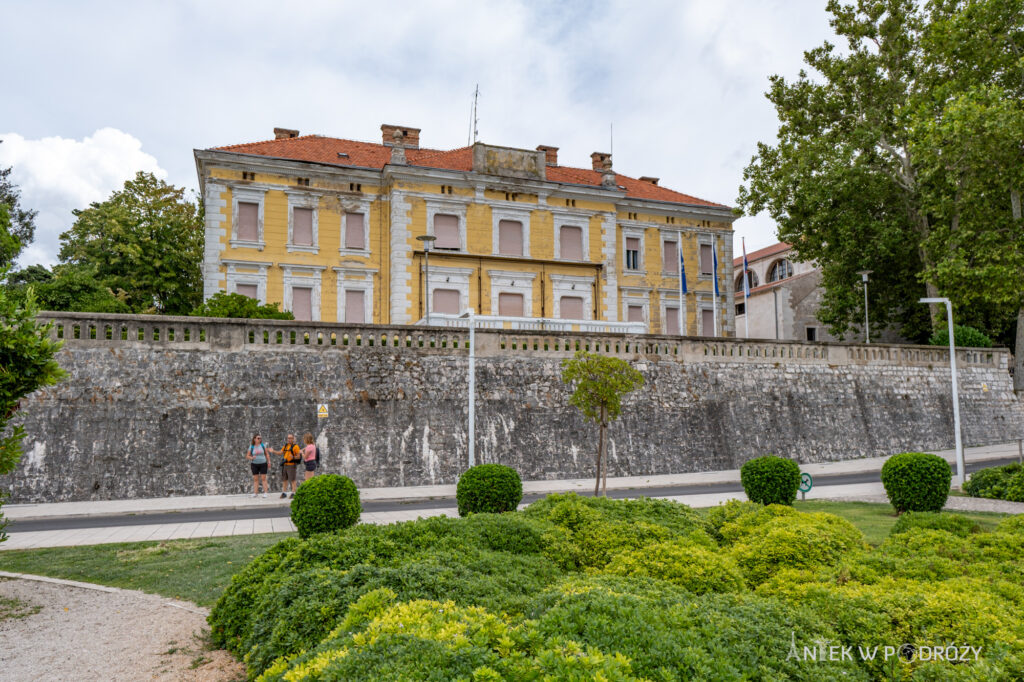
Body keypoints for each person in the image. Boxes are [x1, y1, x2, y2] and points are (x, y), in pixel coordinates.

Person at [269, 433, 302, 498]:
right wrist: (273, 451)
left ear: (293, 439)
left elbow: (298, 456)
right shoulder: (286, 446)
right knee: (284, 479)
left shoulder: (296, 446)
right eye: (288, 438)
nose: (289, 439)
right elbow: (280, 453)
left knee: (292, 479)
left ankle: (293, 492)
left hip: (291, 465)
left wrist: (293, 457)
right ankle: (284, 493)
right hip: (285, 465)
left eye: (290, 438)